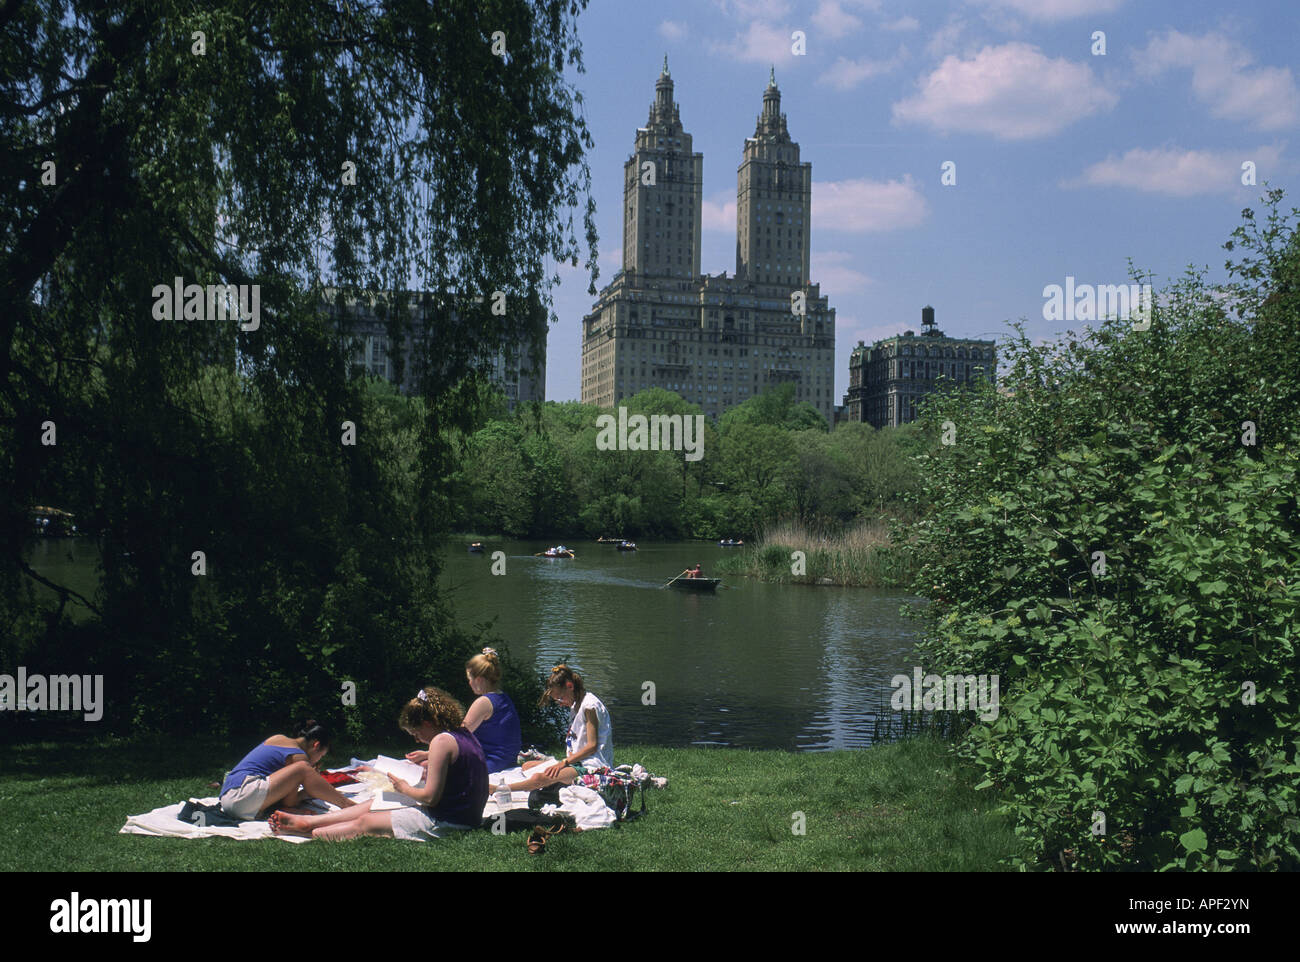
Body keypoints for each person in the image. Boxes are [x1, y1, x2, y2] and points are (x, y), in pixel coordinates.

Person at [271, 687, 488, 841]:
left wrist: (404, 788)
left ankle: (308, 830)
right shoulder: (463, 734)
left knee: (367, 822)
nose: (417, 739)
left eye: (416, 732)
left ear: (427, 723)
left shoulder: (441, 741)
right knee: (377, 803)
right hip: (466, 816)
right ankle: (314, 822)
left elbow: (431, 798)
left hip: (449, 822)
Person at [490, 665, 612, 794]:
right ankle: (557, 781)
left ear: (570, 686)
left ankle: (500, 789)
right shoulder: (576, 704)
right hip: (576, 762)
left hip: (591, 766)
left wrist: (563, 763)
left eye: (560, 697)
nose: (560, 703)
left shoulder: (589, 707)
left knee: (539, 778)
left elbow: (592, 746)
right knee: (527, 766)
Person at [406, 648, 520, 775]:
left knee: (426, 766)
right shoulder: (503, 697)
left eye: (469, 679)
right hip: (507, 759)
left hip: (492, 761)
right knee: (429, 763)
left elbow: (458, 737)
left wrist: (429, 754)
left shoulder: (483, 702)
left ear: (479, 680)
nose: (469, 683)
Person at [219, 720, 355, 820]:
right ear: (316, 745)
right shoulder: (299, 757)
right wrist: (306, 792)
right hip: (243, 797)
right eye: (321, 755)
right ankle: (347, 805)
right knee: (303, 768)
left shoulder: (278, 738)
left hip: (228, 799)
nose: (319, 760)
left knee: (302, 769)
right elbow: (289, 802)